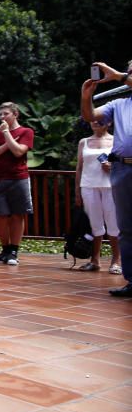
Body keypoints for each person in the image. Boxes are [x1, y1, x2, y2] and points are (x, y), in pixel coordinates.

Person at [81, 60, 132, 297]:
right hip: (122, 170)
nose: (128, 76)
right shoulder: (119, 104)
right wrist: (86, 96)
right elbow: (90, 115)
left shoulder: (121, 81)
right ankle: (131, 280)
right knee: (126, 228)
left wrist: (117, 76)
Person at [0, 102, 34, 266]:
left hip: (19, 178)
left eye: (5, 114)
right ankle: (4, 249)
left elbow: (19, 151)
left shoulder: (26, 131)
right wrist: (6, 143)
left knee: (17, 214)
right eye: (0, 115)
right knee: (0, 215)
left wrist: (6, 133)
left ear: (15, 114)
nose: (2, 117)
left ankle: (14, 250)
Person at [74, 119, 120, 274]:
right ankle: (95, 260)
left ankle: (116, 261)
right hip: (88, 186)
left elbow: (125, 162)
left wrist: (113, 167)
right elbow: (79, 168)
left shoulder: (116, 140)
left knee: (113, 224)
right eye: (92, 120)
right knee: (95, 224)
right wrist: (77, 191)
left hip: (111, 186)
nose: (95, 122)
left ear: (108, 123)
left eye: (99, 120)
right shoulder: (84, 142)